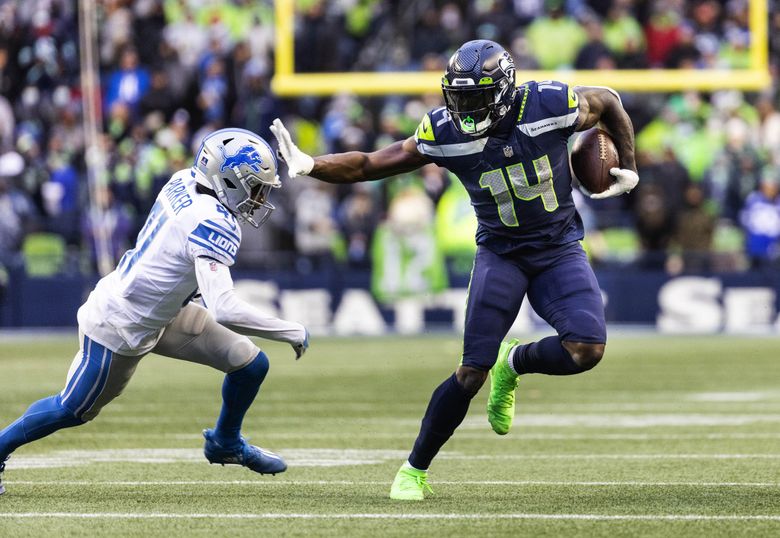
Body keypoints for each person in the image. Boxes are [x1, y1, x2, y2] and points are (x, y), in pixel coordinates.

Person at [271, 39, 638, 501]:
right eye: (457, 95)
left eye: (475, 96)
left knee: (587, 348)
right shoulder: (444, 130)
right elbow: (369, 164)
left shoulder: (549, 104)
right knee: (469, 373)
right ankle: (413, 470)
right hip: (501, 252)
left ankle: (516, 361)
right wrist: (310, 164)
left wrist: (629, 165)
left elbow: (608, 100)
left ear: (504, 91)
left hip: (557, 248)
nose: (463, 107)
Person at [0, 128, 309, 495]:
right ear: (228, 179)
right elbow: (224, 307)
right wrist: (290, 329)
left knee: (250, 363)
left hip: (165, 312)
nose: (259, 199)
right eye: (255, 187)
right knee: (72, 409)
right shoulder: (213, 221)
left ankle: (225, 442)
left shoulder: (184, 180)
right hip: (121, 324)